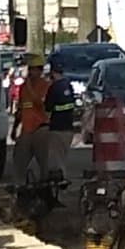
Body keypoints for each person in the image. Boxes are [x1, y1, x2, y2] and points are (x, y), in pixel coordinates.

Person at [9, 54, 51, 186]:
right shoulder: (23, 88)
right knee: (19, 160)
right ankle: (19, 187)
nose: (31, 72)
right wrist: (15, 128)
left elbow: (40, 103)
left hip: (41, 128)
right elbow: (20, 109)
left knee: (45, 163)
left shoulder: (46, 86)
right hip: (26, 130)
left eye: (34, 69)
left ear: (40, 70)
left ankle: (46, 189)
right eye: (30, 69)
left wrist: (30, 89)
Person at [43, 53, 78, 189]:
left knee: (55, 159)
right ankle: (61, 180)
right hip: (68, 128)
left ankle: (58, 183)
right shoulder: (68, 85)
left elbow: (48, 108)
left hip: (57, 127)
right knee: (62, 157)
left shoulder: (54, 88)